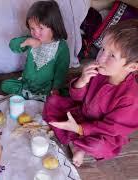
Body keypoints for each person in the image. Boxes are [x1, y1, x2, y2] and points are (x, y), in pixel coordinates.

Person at [43, 19, 138, 167]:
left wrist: (80, 128)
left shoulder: (131, 99)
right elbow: (77, 98)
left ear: (131, 67)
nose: (101, 58)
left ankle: (79, 146)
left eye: (112, 55)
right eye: (102, 49)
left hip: (102, 132)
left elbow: (111, 129)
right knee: (53, 101)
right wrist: (82, 80)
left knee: (98, 146)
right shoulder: (99, 71)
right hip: (82, 114)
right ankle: (73, 139)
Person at [0, 0, 70, 101]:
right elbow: (13, 46)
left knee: (60, 96)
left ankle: (36, 96)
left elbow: (61, 71)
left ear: (53, 26)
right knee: (5, 85)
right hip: (27, 85)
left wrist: (56, 88)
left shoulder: (61, 46)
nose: (36, 33)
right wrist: (26, 42)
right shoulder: (31, 40)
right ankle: (30, 94)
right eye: (32, 29)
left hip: (46, 87)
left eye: (41, 28)